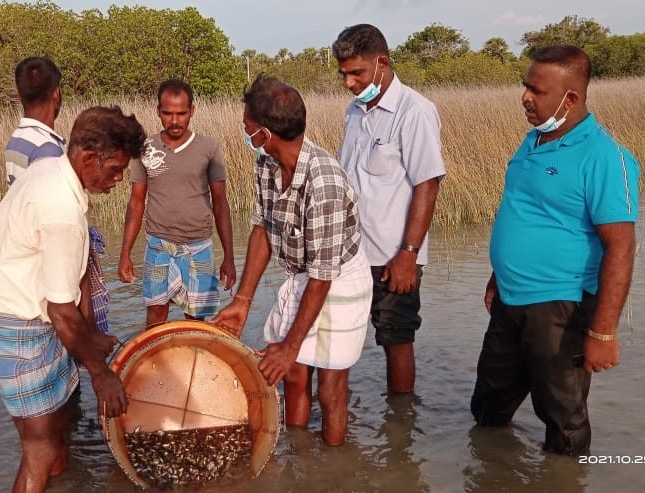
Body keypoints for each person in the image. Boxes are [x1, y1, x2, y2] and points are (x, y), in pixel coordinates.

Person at [471, 45, 639, 455]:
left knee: (564, 422)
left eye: (537, 90)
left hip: (560, 307)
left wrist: (602, 332)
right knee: (487, 410)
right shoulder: (533, 140)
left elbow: (621, 247)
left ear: (571, 98)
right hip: (510, 303)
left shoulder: (604, 157)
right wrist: (499, 275)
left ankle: (564, 480)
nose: (525, 96)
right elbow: (523, 212)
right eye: (525, 85)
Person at [0, 106, 143, 492]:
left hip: (25, 321)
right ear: (88, 158)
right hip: (21, 330)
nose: (118, 180)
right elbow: (60, 310)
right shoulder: (61, 208)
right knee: (42, 450)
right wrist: (100, 374)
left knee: (52, 441)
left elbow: (70, 287)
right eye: (115, 169)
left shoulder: (52, 168)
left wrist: (90, 338)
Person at [212, 75, 372, 446]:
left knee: (331, 389)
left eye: (247, 128)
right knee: (294, 376)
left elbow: (323, 276)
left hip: (338, 281)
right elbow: (263, 229)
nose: (245, 133)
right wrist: (242, 301)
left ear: (265, 134)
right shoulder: (267, 163)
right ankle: (299, 454)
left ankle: (332, 469)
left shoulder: (324, 183)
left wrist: (288, 345)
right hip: (305, 277)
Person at [333, 24, 446, 393]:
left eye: (357, 73)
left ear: (382, 63)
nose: (350, 82)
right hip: (348, 255)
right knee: (336, 342)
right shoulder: (354, 112)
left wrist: (408, 255)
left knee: (396, 341)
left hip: (391, 258)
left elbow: (427, 184)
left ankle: (400, 433)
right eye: (344, 74)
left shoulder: (415, 111)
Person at [118, 78, 235, 328]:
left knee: (199, 322)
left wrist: (229, 256)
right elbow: (136, 202)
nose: (174, 121)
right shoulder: (145, 149)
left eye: (181, 113)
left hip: (200, 247)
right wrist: (125, 253)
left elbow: (221, 203)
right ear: (158, 111)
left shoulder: (209, 148)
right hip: (159, 246)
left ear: (192, 110)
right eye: (168, 113)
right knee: (156, 317)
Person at [4, 56, 110, 333]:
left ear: (19, 93)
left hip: (32, 260)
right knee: (79, 332)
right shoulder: (48, 150)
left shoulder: (16, 141)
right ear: (57, 94)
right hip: (54, 259)